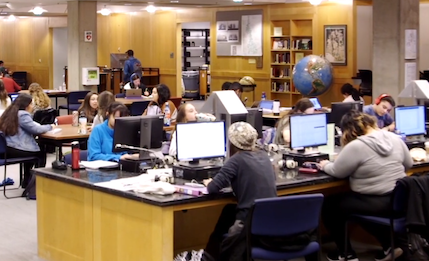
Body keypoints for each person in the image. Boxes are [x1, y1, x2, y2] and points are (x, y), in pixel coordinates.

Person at [318, 110, 412, 261]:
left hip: (376, 200)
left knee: (330, 205)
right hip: (399, 200)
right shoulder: (395, 138)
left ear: (352, 130)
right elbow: (409, 164)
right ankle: (390, 246)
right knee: (356, 205)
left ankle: (346, 254)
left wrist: (325, 165)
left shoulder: (357, 145)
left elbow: (337, 172)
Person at [202, 122, 277, 261]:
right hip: (272, 220)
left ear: (232, 143)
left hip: (248, 221)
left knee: (227, 219)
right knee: (228, 211)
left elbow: (213, 188)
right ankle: (209, 256)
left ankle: (209, 257)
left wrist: (209, 182)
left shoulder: (236, 160)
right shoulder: (264, 156)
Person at [0, 94, 55, 187]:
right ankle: (35, 183)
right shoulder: (23, 114)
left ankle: (27, 180)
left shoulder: (9, 112)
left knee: (33, 152)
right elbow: (36, 130)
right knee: (40, 153)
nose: (33, 107)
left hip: (7, 148)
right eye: (32, 104)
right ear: (27, 105)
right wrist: (50, 126)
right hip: (16, 147)